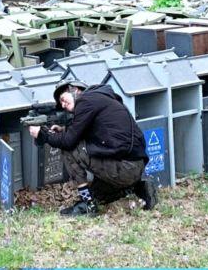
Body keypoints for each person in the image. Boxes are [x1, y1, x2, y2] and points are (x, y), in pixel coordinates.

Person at [28, 79, 157, 217]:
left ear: (74, 89)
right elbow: (96, 131)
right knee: (97, 195)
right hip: (134, 166)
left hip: (124, 167)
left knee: (70, 150)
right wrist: (65, 129)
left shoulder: (85, 100)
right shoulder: (101, 98)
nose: (63, 104)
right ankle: (139, 189)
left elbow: (69, 142)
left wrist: (43, 134)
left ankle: (87, 205)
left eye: (63, 99)